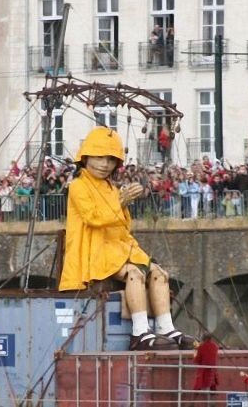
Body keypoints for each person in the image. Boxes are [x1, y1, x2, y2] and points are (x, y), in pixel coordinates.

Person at [58, 127, 195, 350]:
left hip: (119, 246)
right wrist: (121, 202)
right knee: (134, 274)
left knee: (160, 274)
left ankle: (166, 327)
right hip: (95, 249)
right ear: (86, 157)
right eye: (100, 157)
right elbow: (94, 219)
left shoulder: (111, 187)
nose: (105, 164)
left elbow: (123, 224)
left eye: (111, 160)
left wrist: (123, 202)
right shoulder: (78, 186)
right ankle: (140, 332)